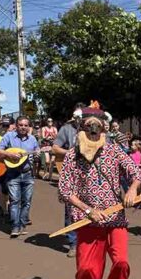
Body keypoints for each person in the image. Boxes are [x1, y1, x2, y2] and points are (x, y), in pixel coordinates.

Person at [58, 105, 141, 279]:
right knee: (86, 267)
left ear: (103, 128)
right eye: (89, 127)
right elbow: (65, 190)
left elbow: (136, 171)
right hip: (87, 219)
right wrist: (87, 210)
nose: (93, 132)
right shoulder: (72, 155)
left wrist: (133, 189)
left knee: (121, 261)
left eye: (97, 127)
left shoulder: (114, 150)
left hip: (115, 218)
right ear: (81, 128)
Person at [0, 116, 40, 238]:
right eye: (21, 125)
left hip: (28, 173)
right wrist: (9, 154)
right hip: (13, 173)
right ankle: (15, 226)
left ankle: (22, 223)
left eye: (26, 125)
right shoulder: (9, 136)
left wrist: (37, 155)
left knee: (26, 201)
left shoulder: (32, 139)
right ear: (16, 125)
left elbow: (36, 152)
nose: (23, 127)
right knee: (15, 200)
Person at [52, 103, 85, 258]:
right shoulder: (66, 129)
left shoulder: (91, 128)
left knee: (88, 207)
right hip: (70, 174)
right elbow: (55, 149)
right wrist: (71, 154)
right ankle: (73, 243)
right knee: (70, 209)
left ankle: (85, 241)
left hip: (87, 175)